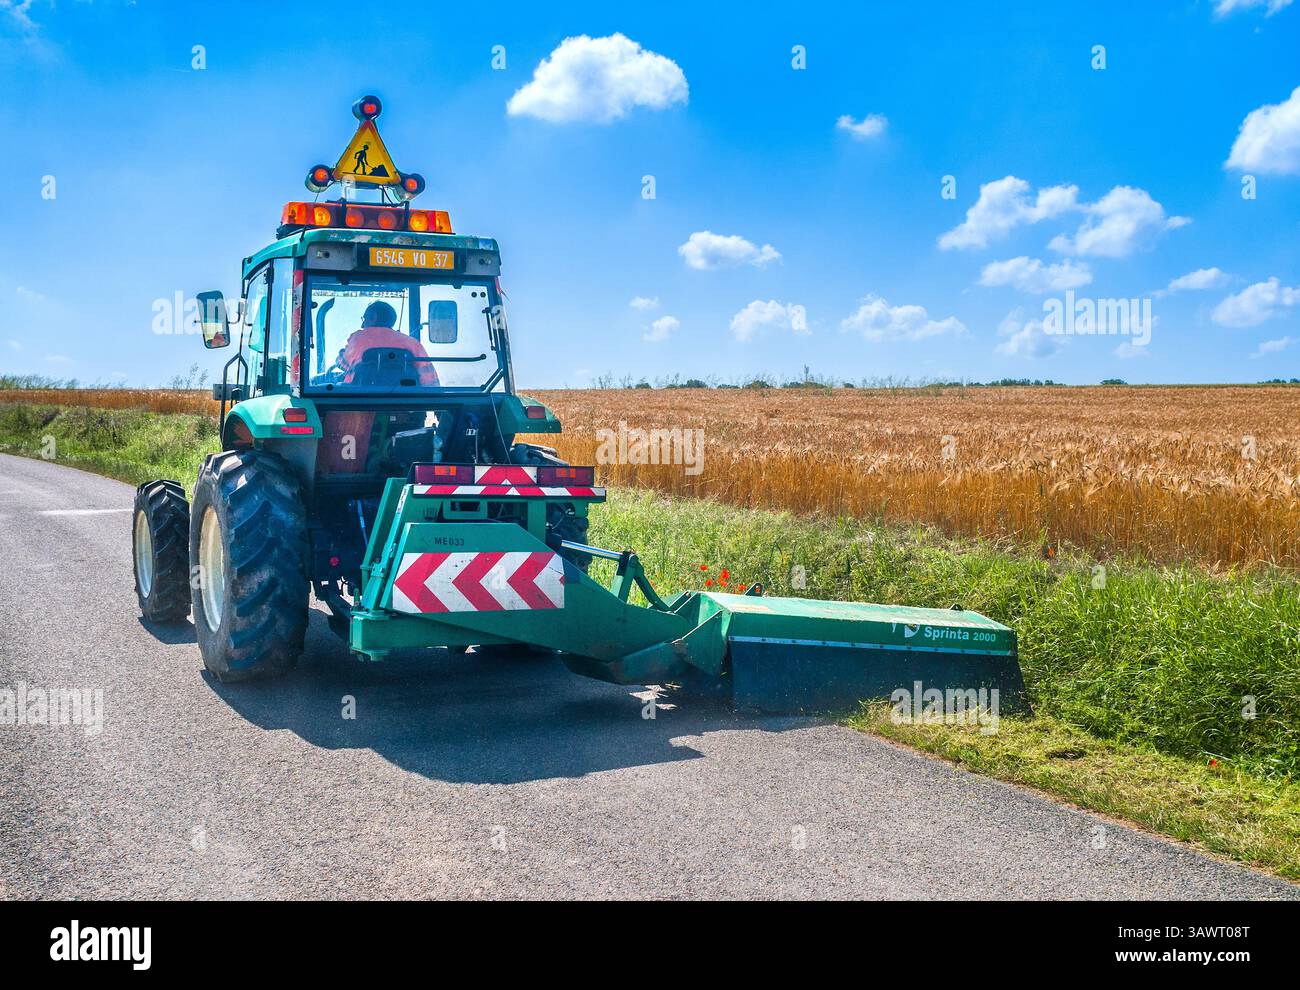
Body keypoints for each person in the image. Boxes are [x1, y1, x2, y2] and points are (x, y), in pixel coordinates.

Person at [335, 300, 438, 386]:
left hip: (359, 403)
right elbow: (431, 382)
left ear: (373, 317)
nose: (362, 325)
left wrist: (340, 356)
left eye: (364, 318)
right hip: (403, 406)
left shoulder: (358, 338)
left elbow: (344, 364)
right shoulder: (413, 343)